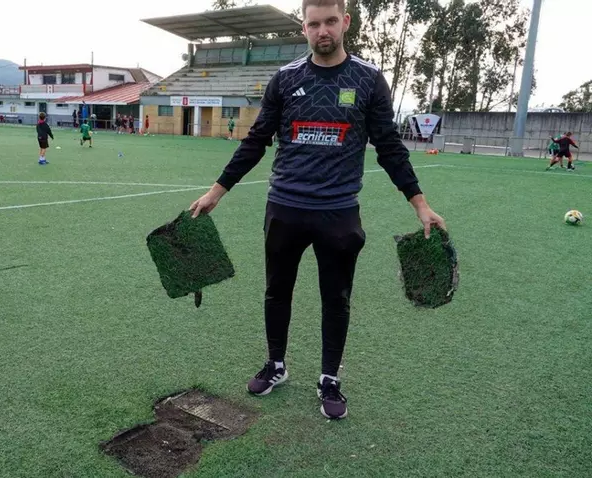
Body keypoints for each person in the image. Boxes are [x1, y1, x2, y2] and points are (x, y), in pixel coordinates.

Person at [188, 0, 446, 420]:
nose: (322, 31)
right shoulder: (285, 79)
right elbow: (256, 140)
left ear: (345, 22)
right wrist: (217, 191)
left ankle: (329, 378)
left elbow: (389, 147)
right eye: (313, 24)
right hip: (285, 208)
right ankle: (275, 364)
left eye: (330, 21)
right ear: (303, 28)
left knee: (336, 298)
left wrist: (421, 205)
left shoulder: (368, 79)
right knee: (276, 291)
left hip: (338, 212)